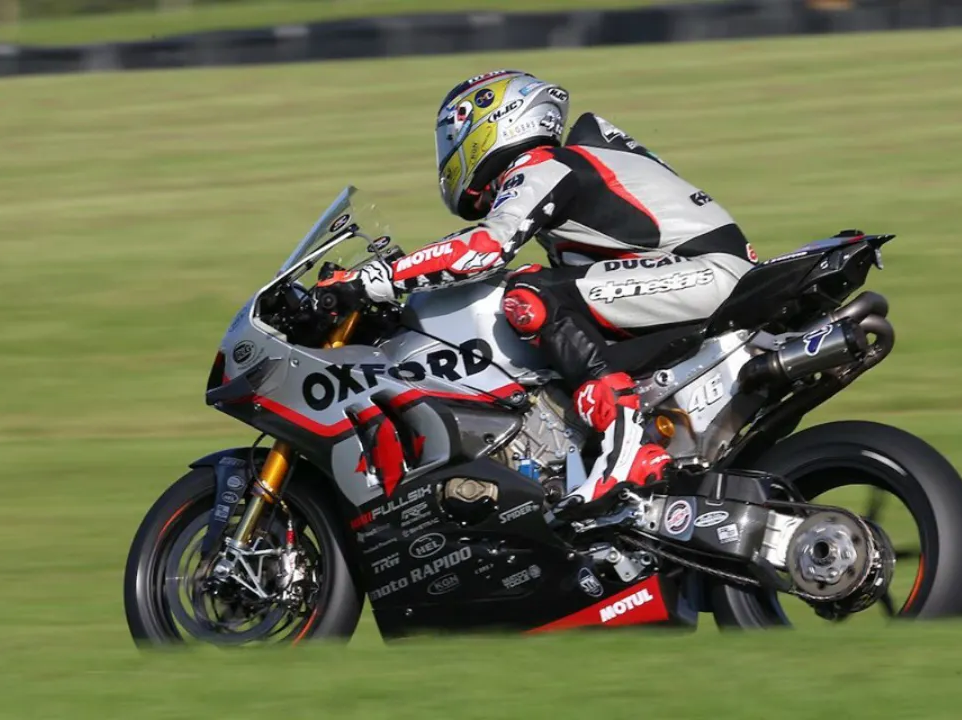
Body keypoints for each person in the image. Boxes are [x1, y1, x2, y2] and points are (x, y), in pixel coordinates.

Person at [315, 69, 756, 514]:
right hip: (704, 275)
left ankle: (627, 450)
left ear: (494, 119)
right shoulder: (563, 169)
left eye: (453, 135)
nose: (448, 152)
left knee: (529, 294)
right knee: (540, 295)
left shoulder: (544, 165)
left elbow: (485, 247)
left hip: (708, 272)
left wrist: (381, 278)